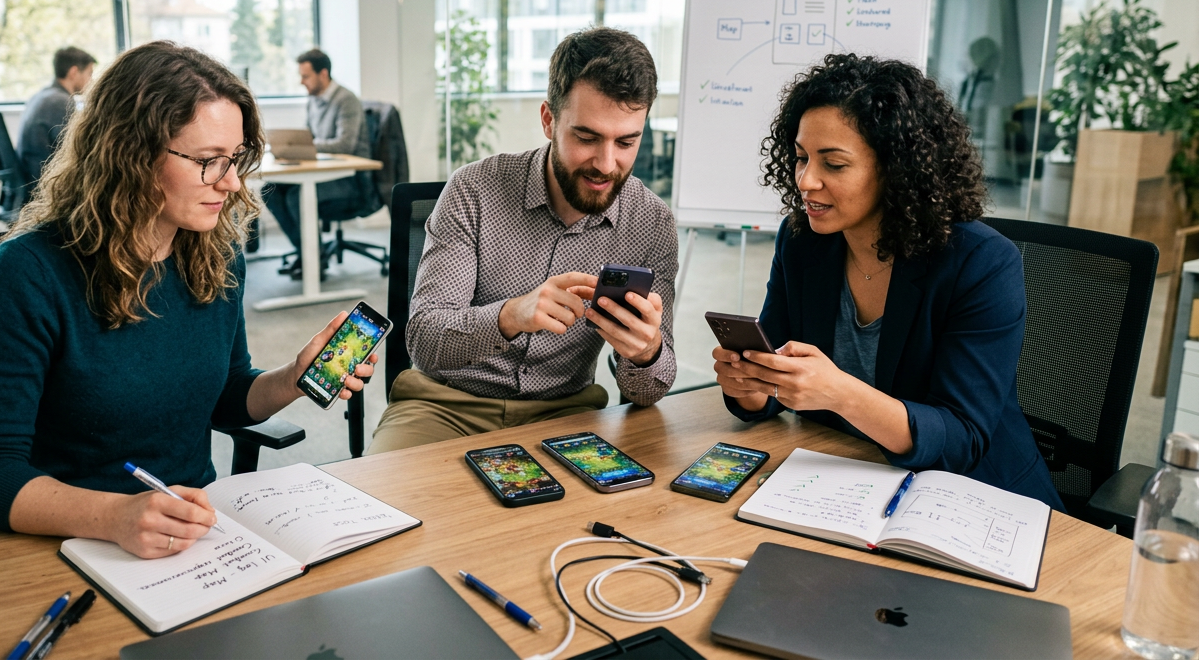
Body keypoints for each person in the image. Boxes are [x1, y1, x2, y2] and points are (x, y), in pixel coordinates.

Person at [0, 41, 375, 559]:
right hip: (67, 545)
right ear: (131, 154)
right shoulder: (28, 274)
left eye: (235, 158)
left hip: (192, 534)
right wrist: (116, 515)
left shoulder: (216, 255)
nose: (233, 182)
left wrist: (291, 379)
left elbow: (225, 397)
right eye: (209, 161)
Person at [713, 53, 1064, 510]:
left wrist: (839, 392)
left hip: (975, 497)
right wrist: (754, 389)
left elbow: (961, 436)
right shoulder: (803, 242)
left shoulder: (982, 263)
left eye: (833, 165)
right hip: (850, 478)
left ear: (897, 169)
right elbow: (778, 367)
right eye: (800, 158)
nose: (806, 180)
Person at [369, 27, 678, 454]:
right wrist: (510, 316)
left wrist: (646, 353)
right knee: (395, 508)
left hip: (565, 411)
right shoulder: (474, 189)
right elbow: (424, 340)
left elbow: (649, 392)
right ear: (549, 120)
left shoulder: (651, 222)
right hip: (446, 406)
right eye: (586, 138)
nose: (607, 164)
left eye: (626, 142)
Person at [263, 48, 370, 277]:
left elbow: (344, 145)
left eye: (306, 76)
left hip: (351, 180)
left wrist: (304, 146)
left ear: (323, 74)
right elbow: (309, 138)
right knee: (270, 191)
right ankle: (307, 254)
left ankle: (315, 260)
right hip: (326, 174)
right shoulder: (314, 100)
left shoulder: (346, 100)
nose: (302, 82)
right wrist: (294, 147)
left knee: (296, 196)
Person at [18, 46, 97, 189]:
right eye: (89, 73)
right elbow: (79, 149)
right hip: (41, 181)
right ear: (74, 72)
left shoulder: (42, 96)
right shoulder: (60, 103)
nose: (91, 80)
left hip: (28, 174)